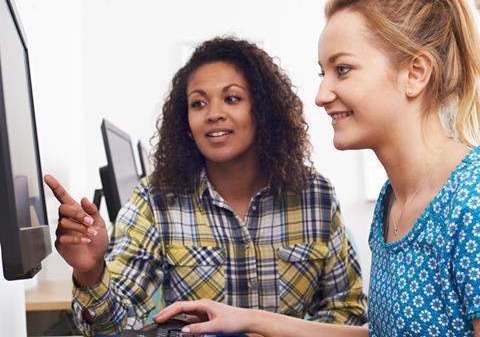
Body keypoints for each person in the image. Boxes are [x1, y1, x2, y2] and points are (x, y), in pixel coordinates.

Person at [154, 0, 480, 336]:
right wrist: (248, 319)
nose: (322, 94)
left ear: (415, 74)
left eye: (342, 70)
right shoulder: (395, 199)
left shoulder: (471, 201)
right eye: (322, 73)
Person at [44, 37, 367, 335]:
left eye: (232, 98)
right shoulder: (156, 200)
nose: (213, 114)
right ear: (184, 120)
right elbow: (112, 327)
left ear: (262, 110)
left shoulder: (315, 196)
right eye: (198, 104)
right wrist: (91, 272)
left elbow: (348, 311)